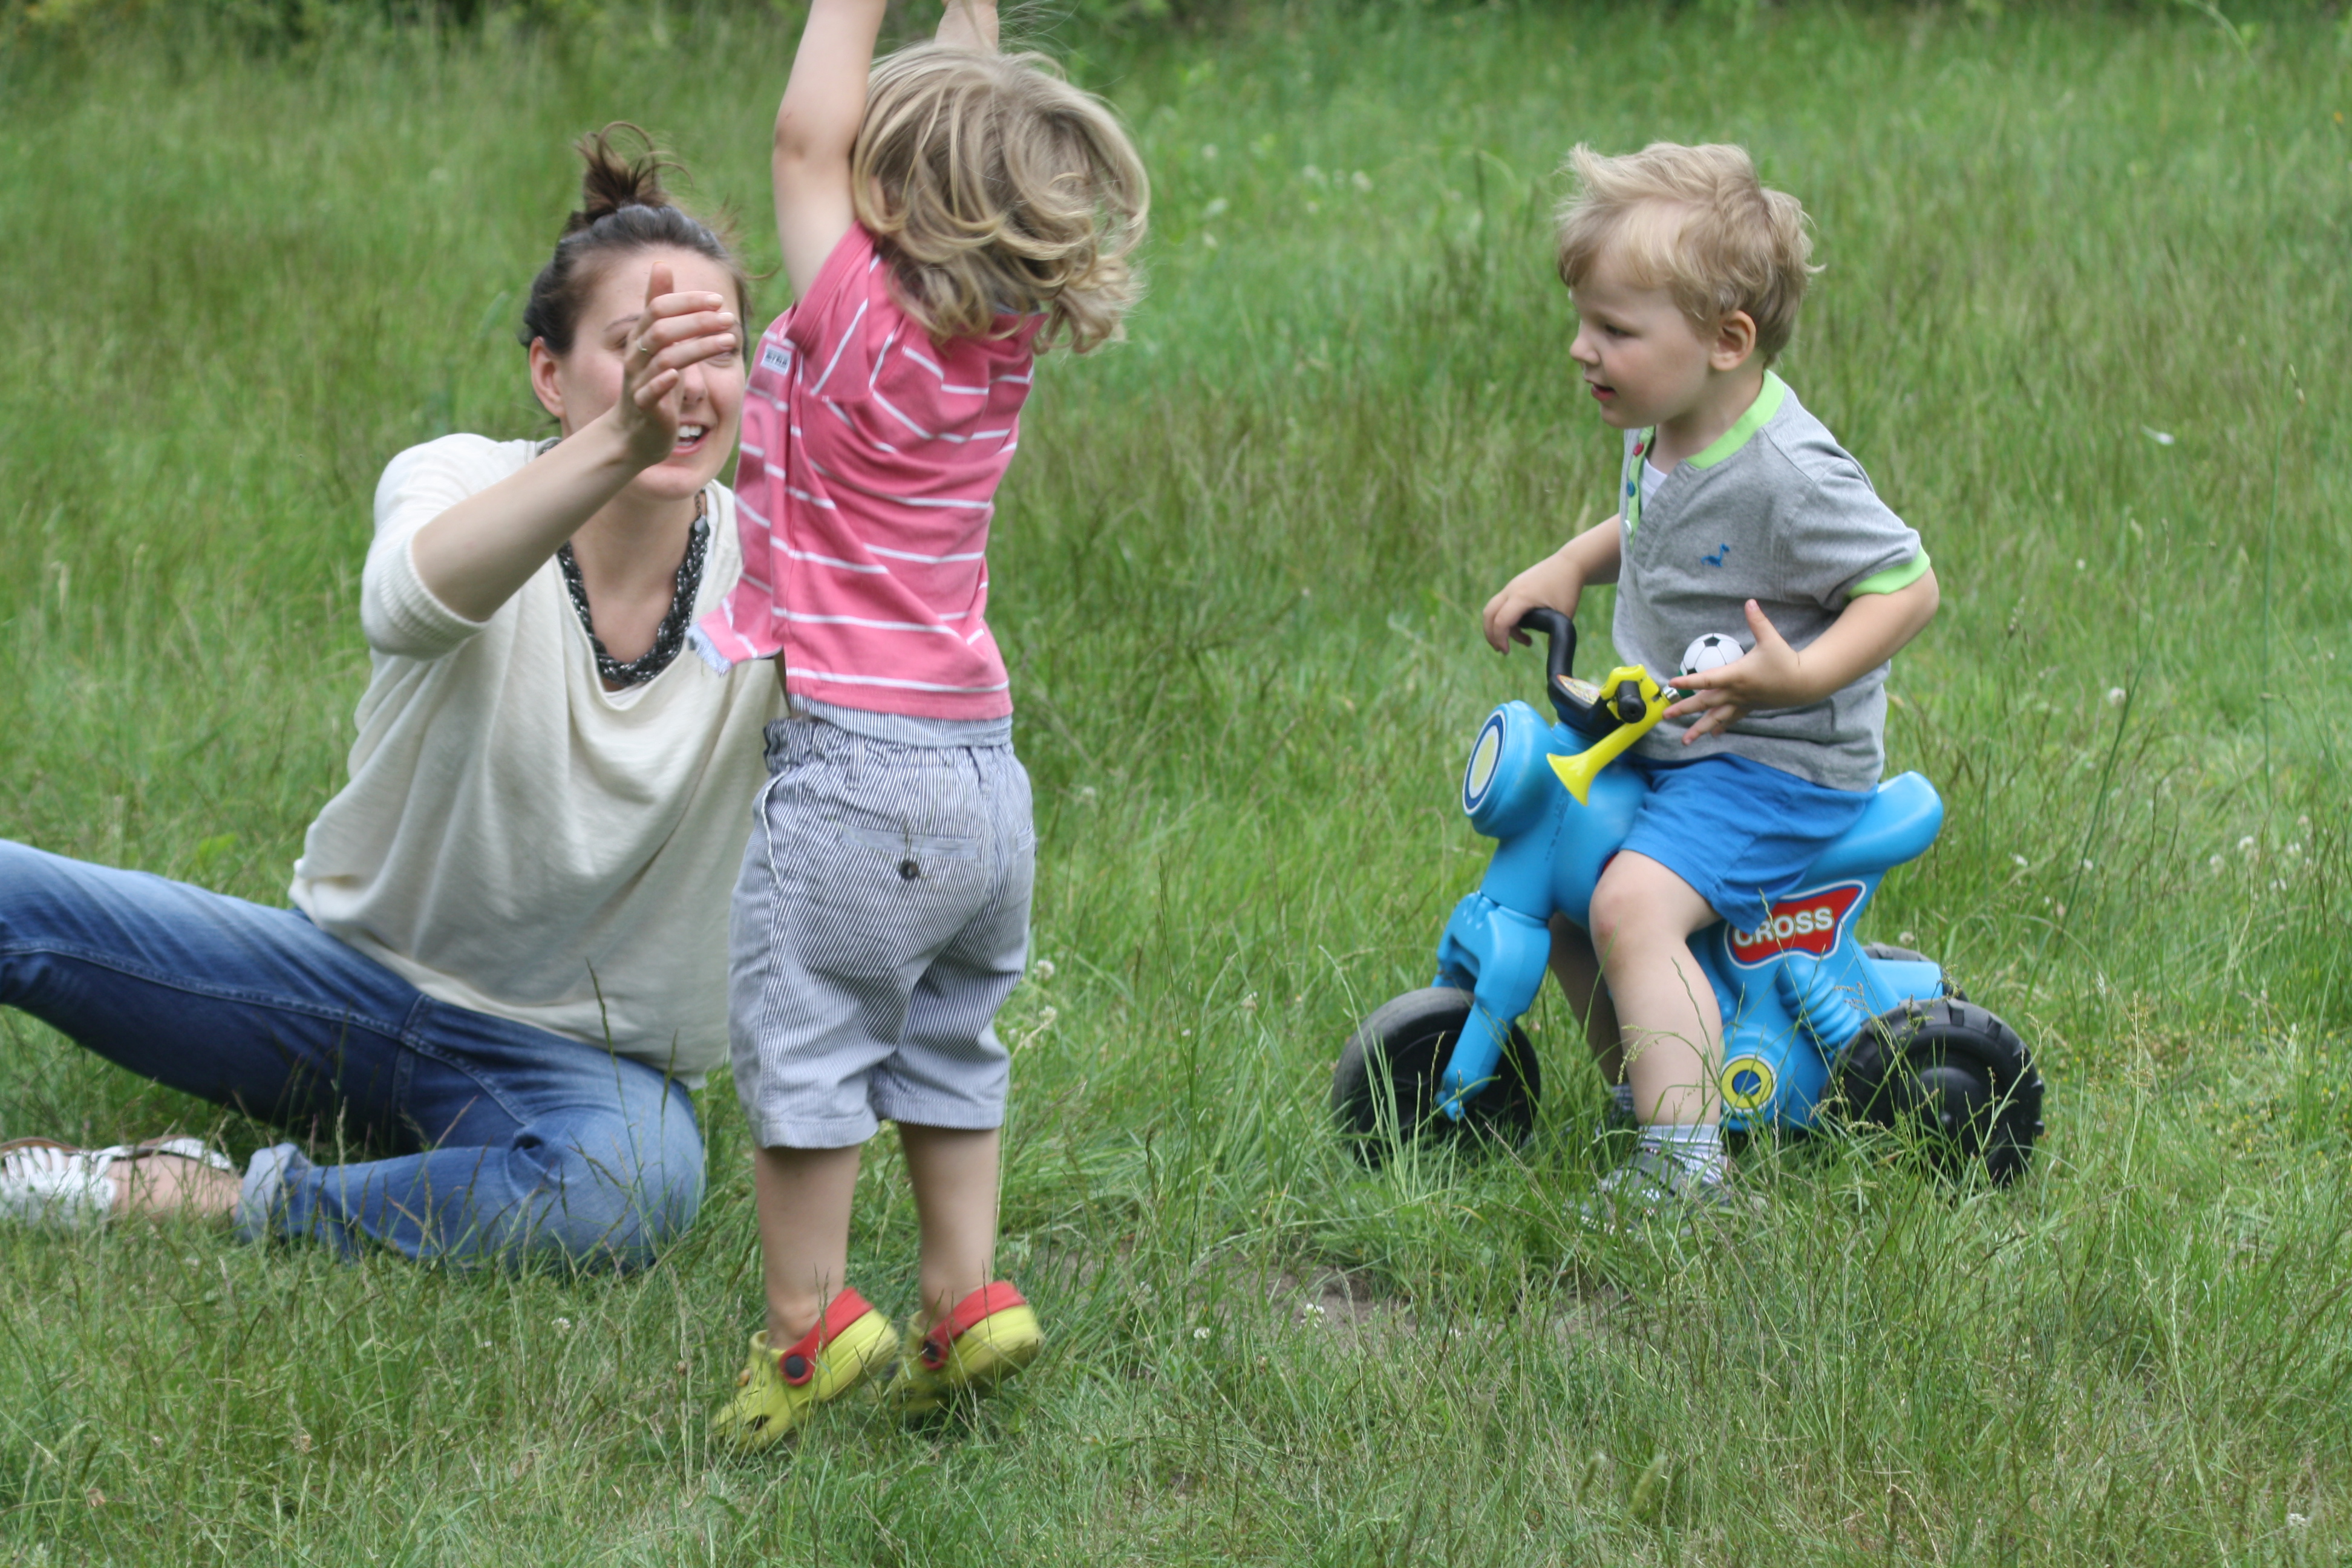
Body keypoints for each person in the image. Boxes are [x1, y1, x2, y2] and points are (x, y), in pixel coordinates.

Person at [0, 128, 774, 1268]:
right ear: (550, 375)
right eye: (638, 350)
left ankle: (199, 1196)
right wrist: (619, 443)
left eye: (717, 354)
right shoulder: (455, 475)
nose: (684, 387)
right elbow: (408, 606)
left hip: (581, 1068)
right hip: (335, 990)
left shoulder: (784, 569)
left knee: (627, 1193)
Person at [695, 0, 1145, 1446]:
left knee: (806, 1042)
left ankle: (805, 1327)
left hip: (853, 775)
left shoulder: (861, 330)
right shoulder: (1003, 338)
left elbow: (800, 137)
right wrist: (971, 37)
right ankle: (963, 1298)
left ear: (885, 202)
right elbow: (958, 118)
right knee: (951, 1035)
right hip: (982, 781)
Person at [1481, 142, 1939, 1221]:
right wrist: (1571, 563)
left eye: (1615, 330)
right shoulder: (1667, 424)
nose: (1581, 348)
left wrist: (1798, 676)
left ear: (1727, 342)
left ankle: (1687, 1175)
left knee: (1631, 906)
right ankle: (1656, 1089)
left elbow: (1908, 588)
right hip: (1689, 739)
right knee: (1570, 886)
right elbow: (1658, 531)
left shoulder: (1790, 474)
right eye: (1583, 321)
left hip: (1776, 762)